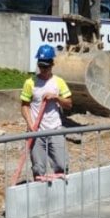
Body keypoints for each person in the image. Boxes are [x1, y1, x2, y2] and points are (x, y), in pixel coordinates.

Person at [20, 44, 74, 180]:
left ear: (52, 64)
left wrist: (56, 97)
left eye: (46, 66)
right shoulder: (30, 83)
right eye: (41, 66)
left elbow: (69, 104)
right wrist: (30, 124)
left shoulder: (59, 82)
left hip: (55, 129)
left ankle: (60, 195)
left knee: (61, 166)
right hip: (36, 132)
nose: (43, 69)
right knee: (38, 169)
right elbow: (24, 105)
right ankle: (41, 196)